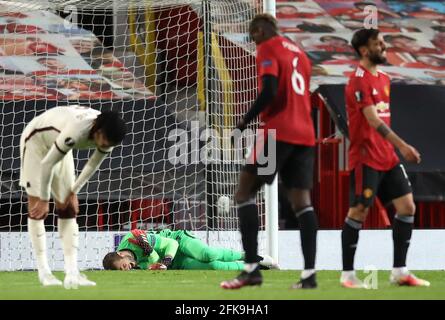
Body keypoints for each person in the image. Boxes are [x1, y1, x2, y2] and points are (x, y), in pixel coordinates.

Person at [220, 14, 318, 290]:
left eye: (253, 35)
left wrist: (243, 121)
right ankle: (309, 275)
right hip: (305, 135)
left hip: (277, 133)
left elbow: (270, 91)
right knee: (302, 203)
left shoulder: (268, 47)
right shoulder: (300, 53)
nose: (253, 41)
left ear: (261, 30)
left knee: (243, 192)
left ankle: (251, 269)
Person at [341, 28, 430, 288]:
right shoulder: (358, 80)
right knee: (359, 211)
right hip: (366, 157)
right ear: (364, 50)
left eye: (383, 42)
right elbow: (372, 119)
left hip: (387, 158)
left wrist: (394, 149)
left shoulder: (384, 78)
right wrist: (403, 146)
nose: (384, 46)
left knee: (407, 208)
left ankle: (400, 272)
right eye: (378, 43)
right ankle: (347, 275)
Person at [21, 105, 127, 288]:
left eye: (109, 144)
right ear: (98, 129)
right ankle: (44, 272)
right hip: (36, 143)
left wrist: (73, 192)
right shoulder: (76, 131)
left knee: (68, 209)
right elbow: (47, 164)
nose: (104, 146)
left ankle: (72, 273)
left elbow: (91, 166)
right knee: (38, 209)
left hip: (59, 148)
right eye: (104, 141)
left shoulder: (108, 138)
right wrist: (45, 199)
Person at [102, 229, 278, 271]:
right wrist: (156, 261)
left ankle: (248, 255)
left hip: (179, 240)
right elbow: (153, 262)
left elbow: (171, 245)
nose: (129, 268)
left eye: (123, 266)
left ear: (120, 254)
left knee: (207, 255)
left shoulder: (137, 238)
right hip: (173, 264)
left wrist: (164, 260)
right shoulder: (135, 268)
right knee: (213, 267)